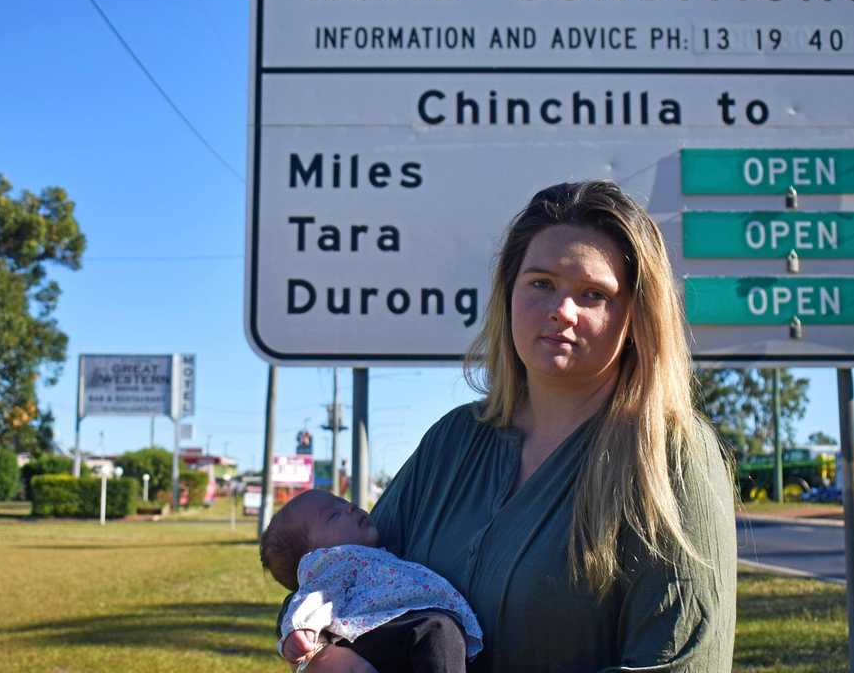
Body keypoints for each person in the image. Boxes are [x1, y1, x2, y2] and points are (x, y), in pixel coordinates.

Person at [296, 180, 736, 672]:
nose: (560, 312)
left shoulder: (670, 455)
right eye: (541, 283)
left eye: (593, 294)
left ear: (634, 316)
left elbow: (683, 664)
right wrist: (322, 653)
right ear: (508, 293)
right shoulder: (453, 441)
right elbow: (337, 576)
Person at [261, 489, 483, 672]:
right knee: (435, 630)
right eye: (333, 516)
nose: (349, 507)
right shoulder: (332, 559)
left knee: (438, 632)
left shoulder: (367, 556)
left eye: (343, 502)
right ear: (314, 553)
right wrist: (301, 628)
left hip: (393, 629)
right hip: (368, 630)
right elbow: (316, 594)